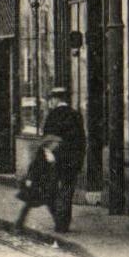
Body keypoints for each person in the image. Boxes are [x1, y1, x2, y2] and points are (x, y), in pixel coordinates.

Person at [16, 84, 86, 233]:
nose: (51, 102)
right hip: (71, 161)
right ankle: (63, 224)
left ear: (56, 100)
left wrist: (45, 158)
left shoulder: (53, 116)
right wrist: (78, 161)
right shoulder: (76, 115)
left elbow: (47, 140)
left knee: (51, 191)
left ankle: (59, 222)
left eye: (52, 99)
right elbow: (81, 141)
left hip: (54, 160)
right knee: (67, 192)